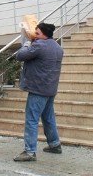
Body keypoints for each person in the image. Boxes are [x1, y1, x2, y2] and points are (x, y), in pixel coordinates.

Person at [13, 22, 63, 162]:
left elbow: (20, 56)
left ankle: (29, 151)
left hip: (38, 89)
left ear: (44, 35)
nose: (35, 34)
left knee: (31, 119)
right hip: (50, 88)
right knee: (48, 117)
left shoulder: (39, 45)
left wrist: (27, 42)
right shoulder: (57, 46)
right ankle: (54, 144)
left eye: (37, 32)